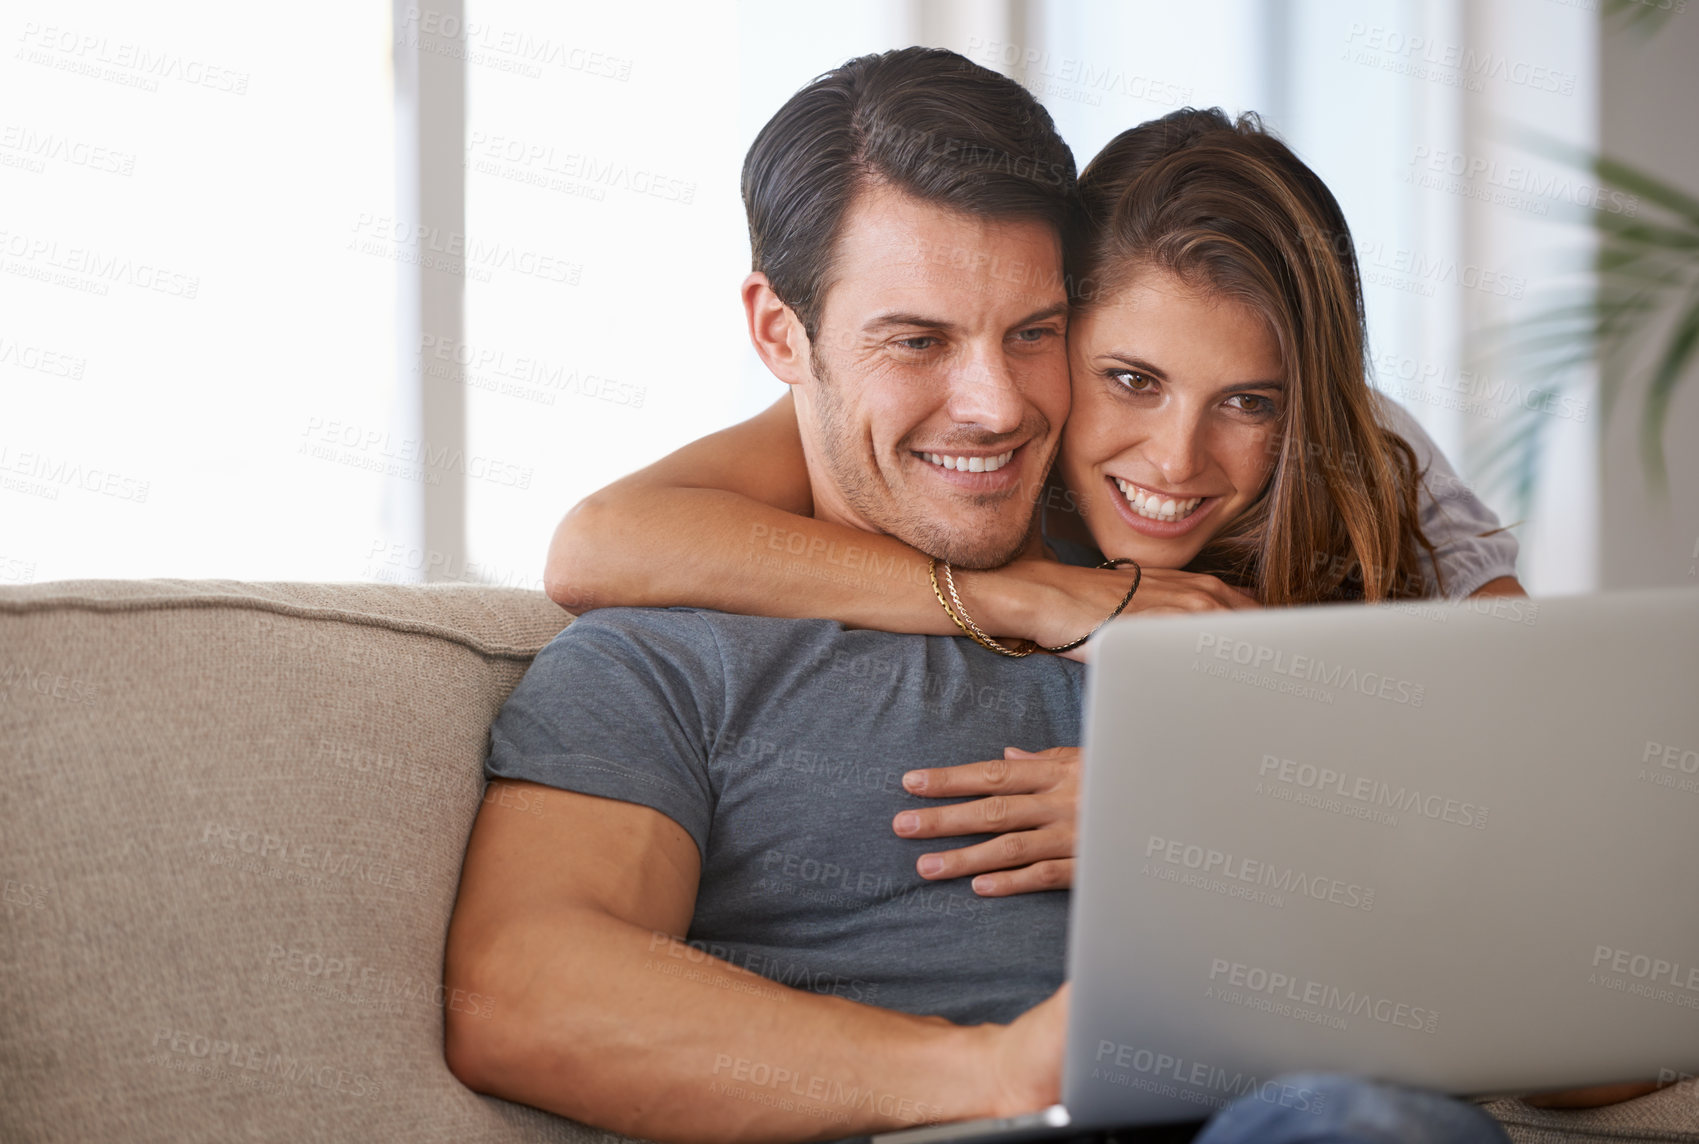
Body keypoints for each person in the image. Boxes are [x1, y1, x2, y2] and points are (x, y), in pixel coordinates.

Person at [443, 49, 1535, 1144]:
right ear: (781, 334)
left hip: (1304, 1132)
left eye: (1031, 332)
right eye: (917, 340)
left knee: (1398, 1136)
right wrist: (989, 1070)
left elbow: (1586, 1017)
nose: (995, 405)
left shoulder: (1211, 581)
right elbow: (519, 988)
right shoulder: (666, 652)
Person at [540, 105, 1525, 899]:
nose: (1177, 461)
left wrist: (1225, 799)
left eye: (1247, 401)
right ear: (1060, 332)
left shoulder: (1359, 463)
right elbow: (601, 540)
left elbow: (1546, 810)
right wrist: (1031, 594)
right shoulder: (986, 444)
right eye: (1131, 379)